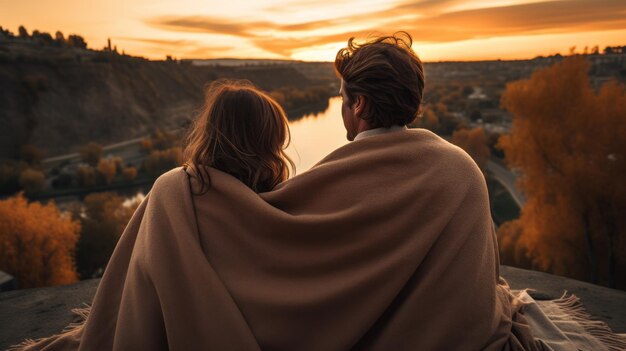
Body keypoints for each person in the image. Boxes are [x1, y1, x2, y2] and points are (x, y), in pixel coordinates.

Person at [11, 33, 625, 351]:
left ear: (356, 104)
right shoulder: (462, 170)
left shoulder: (335, 172)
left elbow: (276, 250)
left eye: (342, 101)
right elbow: (468, 288)